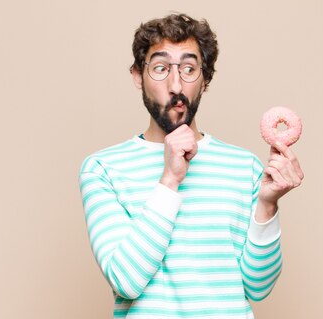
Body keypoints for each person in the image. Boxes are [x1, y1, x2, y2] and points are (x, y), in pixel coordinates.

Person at [78, 13, 304, 319]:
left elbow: (258, 287)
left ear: (205, 78)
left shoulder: (244, 167)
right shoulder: (103, 169)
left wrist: (267, 206)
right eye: (160, 68)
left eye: (188, 69)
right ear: (137, 75)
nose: (176, 85)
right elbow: (126, 281)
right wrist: (169, 180)